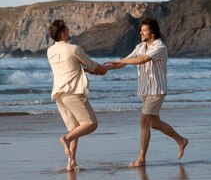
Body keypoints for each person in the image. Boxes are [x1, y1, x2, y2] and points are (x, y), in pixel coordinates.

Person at [104, 17, 188, 167]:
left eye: (144, 30)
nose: (141, 32)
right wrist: (102, 68)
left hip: (156, 89)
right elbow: (124, 62)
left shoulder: (159, 47)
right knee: (154, 124)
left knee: (143, 120)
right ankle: (181, 140)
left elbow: (142, 60)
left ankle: (141, 158)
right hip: (145, 90)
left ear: (153, 32)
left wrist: (119, 62)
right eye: (141, 30)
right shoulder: (140, 46)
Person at [47, 19, 107, 171]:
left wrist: (87, 70)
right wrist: (103, 69)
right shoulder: (74, 49)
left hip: (59, 94)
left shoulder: (50, 51)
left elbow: (70, 68)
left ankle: (71, 163)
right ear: (63, 33)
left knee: (75, 129)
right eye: (67, 30)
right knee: (91, 124)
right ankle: (65, 139)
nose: (69, 32)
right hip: (73, 92)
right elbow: (92, 65)